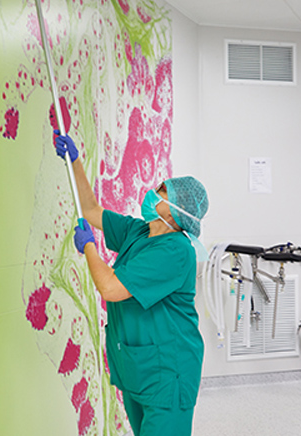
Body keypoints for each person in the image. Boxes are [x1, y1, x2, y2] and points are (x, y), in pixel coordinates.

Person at [54, 130, 209, 436]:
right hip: (139, 367)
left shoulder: (176, 252)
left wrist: (89, 247)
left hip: (168, 372)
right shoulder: (139, 232)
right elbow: (91, 211)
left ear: (177, 212)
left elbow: (111, 289)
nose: (154, 193)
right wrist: (74, 162)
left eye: (162, 193)